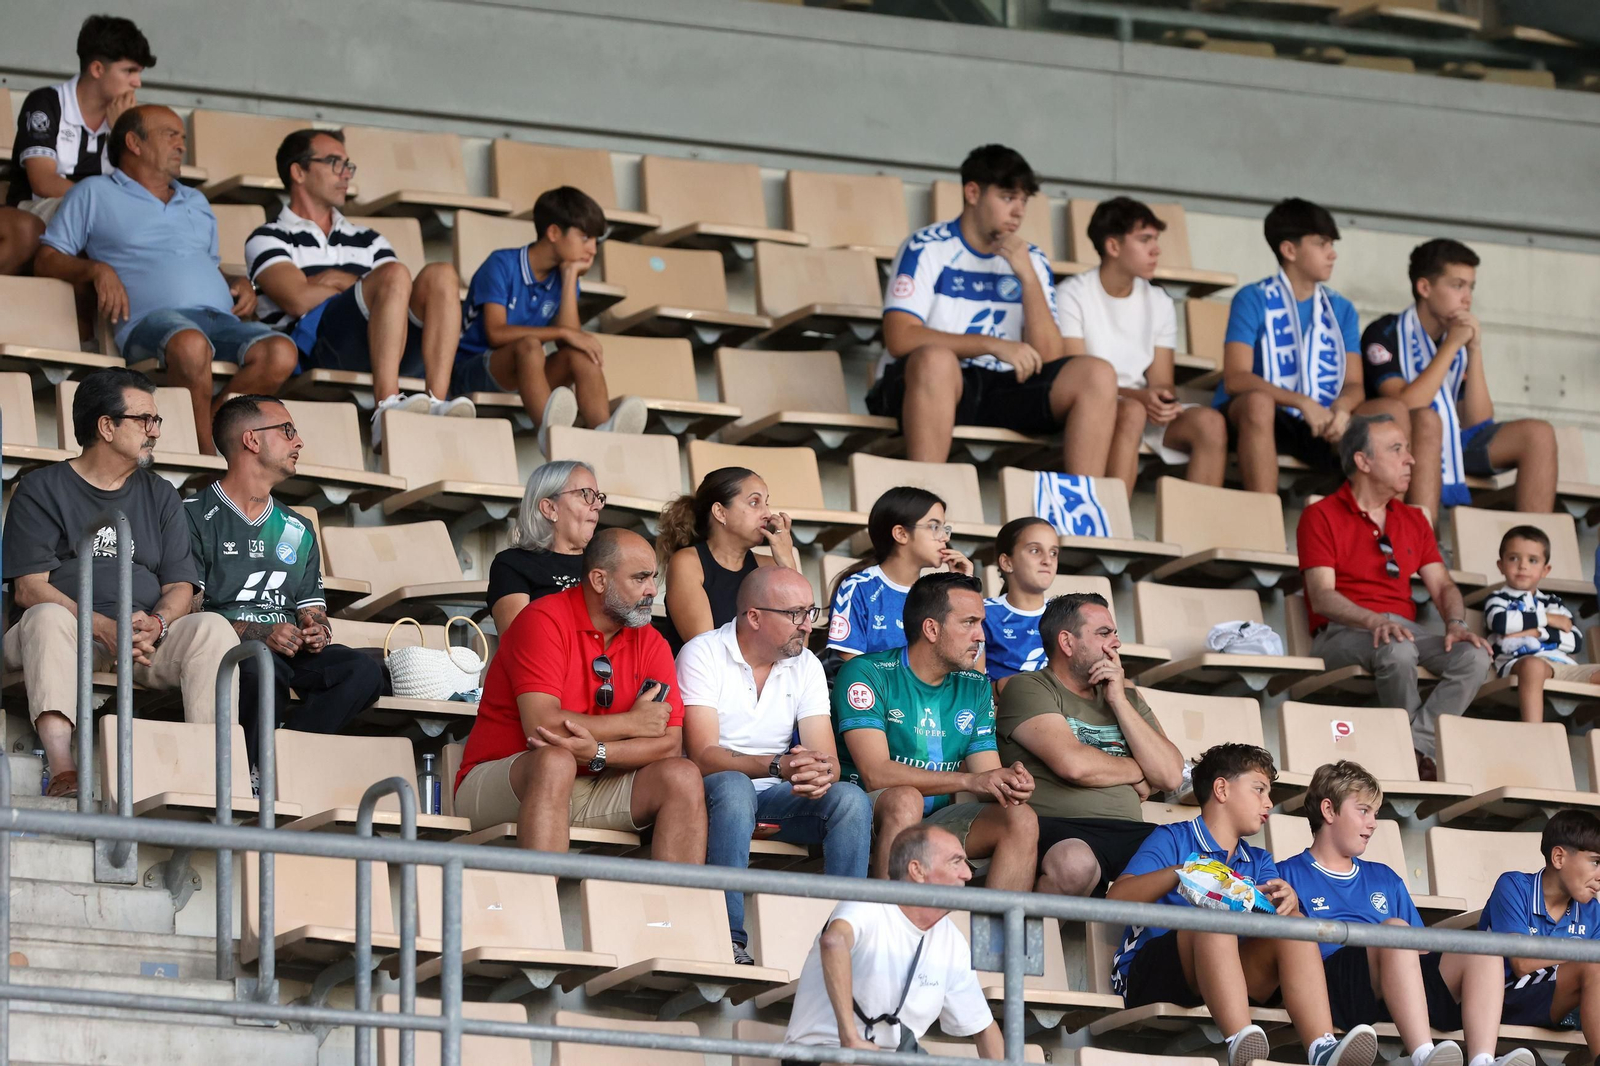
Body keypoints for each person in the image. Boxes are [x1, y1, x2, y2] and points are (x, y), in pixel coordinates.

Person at [1, 369, 237, 798]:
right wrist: (103, 627)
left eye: (156, 421)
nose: (154, 432)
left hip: (145, 643)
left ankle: (213, 775)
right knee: (47, 615)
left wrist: (158, 624)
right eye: (144, 420)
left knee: (213, 628)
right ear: (106, 426)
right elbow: (29, 588)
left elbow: (181, 585)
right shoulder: (40, 488)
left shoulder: (161, 493)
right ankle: (63, 768)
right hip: (66, 636)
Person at [34, 106, 297, 455]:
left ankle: (211, 432)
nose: (181, 145)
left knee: (281, 351)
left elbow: (202, 263)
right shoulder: (93, 193)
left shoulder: (196, 200)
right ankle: (206, 460)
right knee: (190, 344)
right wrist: (96, 269)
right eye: (170, 134)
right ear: (134, 142)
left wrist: (237, 280)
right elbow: (47, 258)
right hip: (149, 321)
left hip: (218, 317)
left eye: (183, 137)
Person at [1107, 743, 1377, 1066]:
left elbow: (1276, 927)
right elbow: (1117, 899)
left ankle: (1321, 1047)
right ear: (1222, 789)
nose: (1269, 802)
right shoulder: (1173, 839)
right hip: (1148, 975)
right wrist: (1182, 873)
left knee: (1296, 927)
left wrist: (1288, 904)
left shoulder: (1259, 860)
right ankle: (1240, 1041)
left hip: (1227, 971)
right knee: (1214, 919)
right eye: (1259, 790)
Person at [452, 528, 705, 859]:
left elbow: (668, 744)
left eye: (653, 578)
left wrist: (598, 752)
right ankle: (540, 907)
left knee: (683, 776)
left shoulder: (652, 641)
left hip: (596, 782)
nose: (652, 590)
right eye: (640, 578)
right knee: (555, 761)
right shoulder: (542, 619)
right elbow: (545, 727)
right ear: (599, 580)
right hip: (503, 779)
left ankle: (677, 910)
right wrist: (631, 723)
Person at [871, 144, 1118, 476]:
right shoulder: (926, 247)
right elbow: (900, 338)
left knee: (1097, 374)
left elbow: (1050, 358)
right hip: (927, 385)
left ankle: (1081, 510)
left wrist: (1028, 278)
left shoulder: (1032, 259)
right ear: (973, 193)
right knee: (937, 360)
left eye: (1023, 201)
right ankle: (922, 509)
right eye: (1007, 197)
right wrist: (991, 344)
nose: (1018, 211)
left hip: (1000, 388)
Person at [1279, 761, 1533, 1066]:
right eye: (1363, 811)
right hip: (1332, 986)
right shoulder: (1287, 874)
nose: (1373, 823)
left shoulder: (1384, 877)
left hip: (1398, 981)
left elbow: (1420, 946)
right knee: (1395, 930)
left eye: (1375, 813)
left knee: (1484, 948)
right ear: (1329, 810)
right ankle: (1423, 1056)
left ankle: (1482, 1060)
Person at [680, 566, 871, 964]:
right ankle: (727, 938)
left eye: (810, 612)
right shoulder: (703, 652)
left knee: (850, 799)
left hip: (774, 797)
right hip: (710, 795)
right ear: (754, 617)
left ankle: (843, 942)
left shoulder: (805, 664)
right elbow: (702, 755)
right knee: (732, 786)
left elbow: (827, 759)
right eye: (795, 614)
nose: (807, 626)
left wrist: (818, 774)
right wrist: (776, 766)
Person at [244, 129, 474, 452]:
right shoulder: (268, 237)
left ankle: (437, 403)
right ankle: (386, 408)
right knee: (392, 274)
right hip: (322, 349)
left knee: (442, 274)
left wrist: (333, 280)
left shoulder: (369, 238)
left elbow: (398, 294)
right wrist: (367, 289)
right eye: (334, 163)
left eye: (348, 166)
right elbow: (297, 300)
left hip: (387, 346)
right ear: (298, 171)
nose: (346, 175)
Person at [186, 395, 383, 766]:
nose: (299, 442)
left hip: (290, 649)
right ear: (252, 440)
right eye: (287, 430)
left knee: (362, 671)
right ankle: (255, 773)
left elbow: (314, 610)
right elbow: (188, 611)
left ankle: (284, 763)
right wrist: (262, 633)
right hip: (227, 650)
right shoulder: (194, 515)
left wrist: (315, 629)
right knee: (262, 665)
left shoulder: (298, 527)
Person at [1297, 414, 1491, 780]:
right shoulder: (1319, 514)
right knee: (1397, 649)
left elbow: (1443, 585)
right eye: (1396, 449)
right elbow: (1321, 597)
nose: (1411, 459)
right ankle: (1416, 761)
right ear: (1363, 461)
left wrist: (1456, 623)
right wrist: (1373, 620)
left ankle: (1415, 747)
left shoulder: (1414, 519)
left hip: (1400, 628)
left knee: (1475, 655)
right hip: (1341, 631)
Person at [833, 573, 1039, 890]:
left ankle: (998, 939)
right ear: (931, 628)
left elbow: (987, 775)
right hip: (865, 815)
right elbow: (876, 774)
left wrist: (1008, 782)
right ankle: (887, 928)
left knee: (1021, 818)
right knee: (905, 799)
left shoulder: (975, 686)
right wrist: (970, 780)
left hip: (935, 821)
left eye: (981, 623)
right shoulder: (866, 672)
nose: (981, 636)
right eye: (969, 623)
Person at [997, 592, 1182, 897]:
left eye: (1115, 634)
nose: (1116, 643)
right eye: (1103, 633)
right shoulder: (1029, 687)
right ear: (1067, 643)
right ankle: (1030, 943)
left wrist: (1119, 700)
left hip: (1129, 831)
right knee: (1076, 865)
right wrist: (1140, 771)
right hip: (1061, 827)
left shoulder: (1126, 696)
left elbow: (1171, 776)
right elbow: (1074, 765)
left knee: (1198, 869)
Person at [1359, 239, 1556, 523]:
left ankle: (1534, 548)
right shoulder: (1384, 332)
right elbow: (1403, 405)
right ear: (1424, 288)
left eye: (1471, 287)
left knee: (1538, 434)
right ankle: (1425, 542)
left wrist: (1473, 350)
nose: (1467, 297)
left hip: (1453, 442)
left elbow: (1477, 421)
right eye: (1457, 285)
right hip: (1407, 441)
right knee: (1426, 420)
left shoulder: (1456, 339)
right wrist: (1451, 346)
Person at [781, 824, 1003, 1062]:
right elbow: (833, 942)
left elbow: (983, 1028)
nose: (968, 874)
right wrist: (851, 1040)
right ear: (917, 870)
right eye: (955, 862)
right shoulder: (869, 902)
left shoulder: (952, 940)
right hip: (823, 1055)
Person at [451, 185, 645, 454]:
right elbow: (495, 333)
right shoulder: (502, 265)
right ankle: (551, 438)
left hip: (525, 374)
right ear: (554, 233)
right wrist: (562, 334)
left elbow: (572, 343)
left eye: (595, 241)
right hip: (470, 371)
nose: (592, 250)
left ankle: (604, 438)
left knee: (581, 355)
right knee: (530, 345)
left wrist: (569, 278)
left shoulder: (562, 275)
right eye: (585, 237)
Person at [1057, 196, 1226, 494]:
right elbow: (1073, 373)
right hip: (1092, 407)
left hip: (1141, 407)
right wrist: (1139, 398)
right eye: (1145, 239)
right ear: (1113, 246)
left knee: (1210, 424)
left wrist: (1161, 401)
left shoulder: (1159, 301)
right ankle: (1111, 525)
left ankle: (1199, 532)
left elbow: (1162, 381)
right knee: (1131, 411)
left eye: (1156, 239)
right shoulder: (1072, 293)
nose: (1156, 249)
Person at [1216, 198, 1365, 495]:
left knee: (1382, 422)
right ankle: (1265, 524)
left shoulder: (1341, 309)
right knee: (1259, 404)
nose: (1332, 254)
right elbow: (1236, 378)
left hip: (1320, 422)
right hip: (1258, 418)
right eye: (1322, 243)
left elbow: (1354, 384)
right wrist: (1302, 402)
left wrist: (1341, 409)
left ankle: (1379, 534)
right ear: (1289, 250)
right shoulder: (1253, 298)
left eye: (1332, 244)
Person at [1, 15, 153, 277]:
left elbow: (139, 189)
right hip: (39, 208)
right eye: (130, 71)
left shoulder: (127, 120)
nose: (137, 82)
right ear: (97, 69)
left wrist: (120, 133)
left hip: (102, 214)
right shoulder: (47, 102)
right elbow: (43, 181)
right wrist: (101, 206)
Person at [1480, 809, 1600, 1051]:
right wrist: (1583, 950)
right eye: (1596, 862)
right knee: (1592, 965)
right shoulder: (1513, 886)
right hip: (1502, 1000)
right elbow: (1522, 962)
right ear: (1558, 857)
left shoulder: (1592, 911)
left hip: (1566, 1004)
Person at [658, 466, 798, 655]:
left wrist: (788, 565)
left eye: (766, 503)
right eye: (754, 503)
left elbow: (798, 646)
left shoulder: (769, 567)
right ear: (720, 512)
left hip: (761, 681)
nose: (767, 514)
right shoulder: (688, 563)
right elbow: (706, 651)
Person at [826, 487, 972, 666]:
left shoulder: (939, 594)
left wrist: (964, 588)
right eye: (934, 527)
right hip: (879, 691)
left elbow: (971, 665)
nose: (944, 537)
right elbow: (851, 668)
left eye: (944, 528)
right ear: (901, 534)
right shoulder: (858, 588)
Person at [1484, 525, 1599, 724]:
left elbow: (1574, 641)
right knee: (1534, 666)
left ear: (1545, 570)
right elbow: (1501, 622)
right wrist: (1548, 620)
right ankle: (1534, 731)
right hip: (1521, 663)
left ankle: (1588, 715)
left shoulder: (1553, 602)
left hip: (1564, 666)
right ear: (1500, 565)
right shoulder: (1498, 599)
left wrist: (1535, 632)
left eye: (1533, 560)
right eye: (1513, 558)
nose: (1523, 566)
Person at [486, 460, 603, 635]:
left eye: (598, 497)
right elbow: (518, 641)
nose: (597, 505)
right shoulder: (512, 565)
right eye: (586, 494)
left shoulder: (604, 564)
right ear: (549, 508)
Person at [981, 517, 1058, 687]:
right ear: (1007, 562)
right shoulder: (983, 614)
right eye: (1035, 550)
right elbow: (972, 687)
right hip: (1002, 709)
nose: (1048, 560)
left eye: (1053, 552)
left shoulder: (1066, 614)